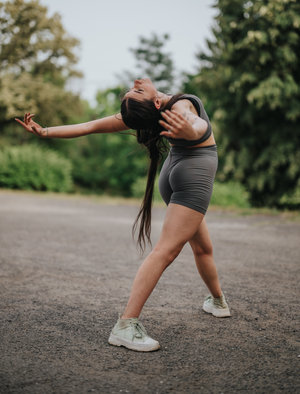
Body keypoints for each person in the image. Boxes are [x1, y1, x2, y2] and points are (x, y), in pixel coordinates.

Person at [16, 78, 231, 352]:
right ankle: (126, 325)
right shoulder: (180, 108)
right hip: (193, 177)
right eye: (137, 90)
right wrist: (191, 127)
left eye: (135, 89)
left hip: (172, 174)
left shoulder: (153, 113)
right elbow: (194, 122)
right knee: (166, 251)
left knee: (202, 247)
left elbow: (89, 126)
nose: (136, 83)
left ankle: (217, 302)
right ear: (155, 102)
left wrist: (45, 131)